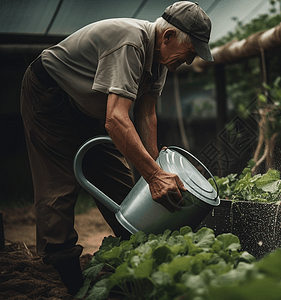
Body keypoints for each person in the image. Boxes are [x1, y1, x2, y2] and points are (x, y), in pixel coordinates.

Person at [20, 1, 213, 295]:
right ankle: (74, 282)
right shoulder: (131, 42)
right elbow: (115, 119)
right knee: (58, 188)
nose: (189, 62)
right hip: (49, 98)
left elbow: (146, 114)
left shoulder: (159, 60)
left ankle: (137, 257)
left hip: (89, 109)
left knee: (122, 189)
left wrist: (155, 170)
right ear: (169, 36)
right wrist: (154, 176)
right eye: (190, 53)